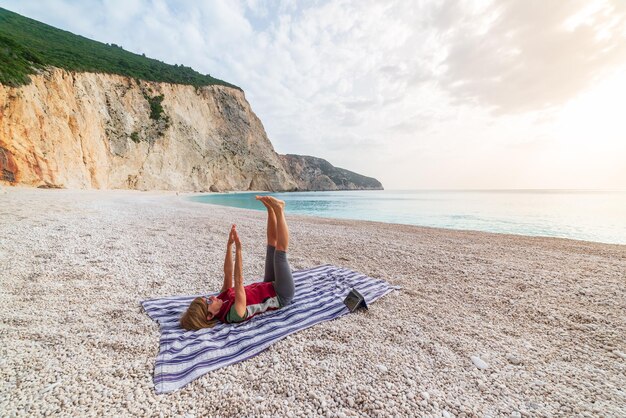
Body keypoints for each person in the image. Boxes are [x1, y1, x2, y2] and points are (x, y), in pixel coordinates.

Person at [180, 196, 294, 330]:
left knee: (271, 246)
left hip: (267, 285)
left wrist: (229, 246)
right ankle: (279, 209)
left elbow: (228, 274)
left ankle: (270, 209)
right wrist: (239, 250)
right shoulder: (234, 314)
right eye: (209, 301)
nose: (212, 297)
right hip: (281, 294)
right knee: (280, 253)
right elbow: (238, 281)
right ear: (209, 316)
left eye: (207, 298)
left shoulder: (221, 298)